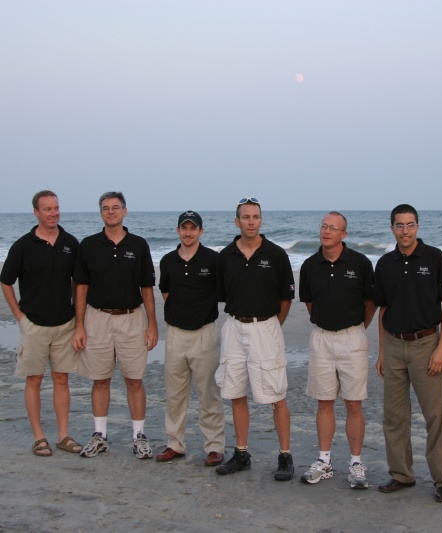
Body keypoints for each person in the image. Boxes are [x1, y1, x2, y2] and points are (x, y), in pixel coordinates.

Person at [374, 204, 442, 503]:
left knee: (434, 416)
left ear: (418, 227)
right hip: (394, 345)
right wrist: (382, 352)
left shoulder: (435, 258)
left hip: (427, 345)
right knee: (394, 416)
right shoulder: (385, 263)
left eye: (410, 225)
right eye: (399, 225)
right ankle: (401, 474)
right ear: (392, 228)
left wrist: (441, 348)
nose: (405, 231)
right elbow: (383, 309)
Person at [71, 191, 159, 459]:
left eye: (115, 207)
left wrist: (152, 325)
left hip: (132, 319)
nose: (111, 212)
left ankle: (139, 436)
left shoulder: (138, 245)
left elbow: (147, 288)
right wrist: (79, 326)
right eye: (106, 208)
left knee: (134, 380)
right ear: (101, 213)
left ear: (124, 211)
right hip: (97, 318)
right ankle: (100, 435)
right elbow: (80, 287)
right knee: (100, 380)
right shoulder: (88, 245)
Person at [214, 197, 296, 481]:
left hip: (266, 328)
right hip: (234, 328)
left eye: (256, 217)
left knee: (276, 395)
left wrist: (271, 327)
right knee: (235, 392)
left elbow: (286, 297)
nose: (251, 222)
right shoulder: (225, 256)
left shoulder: (276, 255)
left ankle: (285, 456)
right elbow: (222, 294)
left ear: (261, 220)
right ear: (237, 221)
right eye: (246, 217)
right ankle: (241, 453)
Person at [0, 190, 83, 457]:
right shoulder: (23, 246)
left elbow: (80, 282)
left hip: (65, 323)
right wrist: (19, 317)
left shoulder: (71, 243)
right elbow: (5, 281)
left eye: (56, 208)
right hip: (33, 324)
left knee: (61, 379)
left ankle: (63, 436)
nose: (53, 213)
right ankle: (38, 437)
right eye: (47, 209)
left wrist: (78, 317)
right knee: (34, 379)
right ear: (36, 212)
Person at [298, 211, 376, 489]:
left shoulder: (361, 263)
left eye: (333, 228)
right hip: (321, 338)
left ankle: (356, 463)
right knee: (324, 402)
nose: (327, 231)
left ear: (344, 234)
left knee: (354, 403)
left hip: (352, 338)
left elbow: (371, 302)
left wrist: (355, 328)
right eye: (324, 226)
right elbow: (309, 303)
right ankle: (324, 461)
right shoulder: (309, 265)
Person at [156, 211, 226, 466]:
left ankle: (214, 446)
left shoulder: (213, 260)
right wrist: (179, 313)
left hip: (205, 333)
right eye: (184, 228)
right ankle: (175, 444)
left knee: (209, 393)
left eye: (192, 228)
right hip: (175, 335)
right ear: (178, 231)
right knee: (175, 394)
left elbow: (222, 291)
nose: (188, 232)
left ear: (201, 231)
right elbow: (165, 291)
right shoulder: (167, 261)